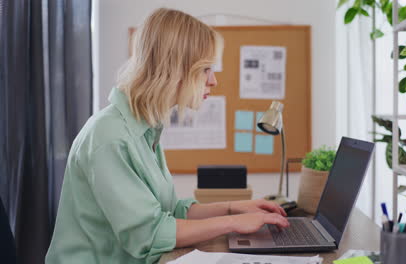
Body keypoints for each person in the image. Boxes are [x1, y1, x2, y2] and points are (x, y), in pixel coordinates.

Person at [46, 8, 289, 264]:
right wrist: (234, 222)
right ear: (175, 70)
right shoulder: (110, 137)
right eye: (205, 69)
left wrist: (235, 207)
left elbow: (171, 211)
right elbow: (150, 235)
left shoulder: (145, 128)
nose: (214, 81)